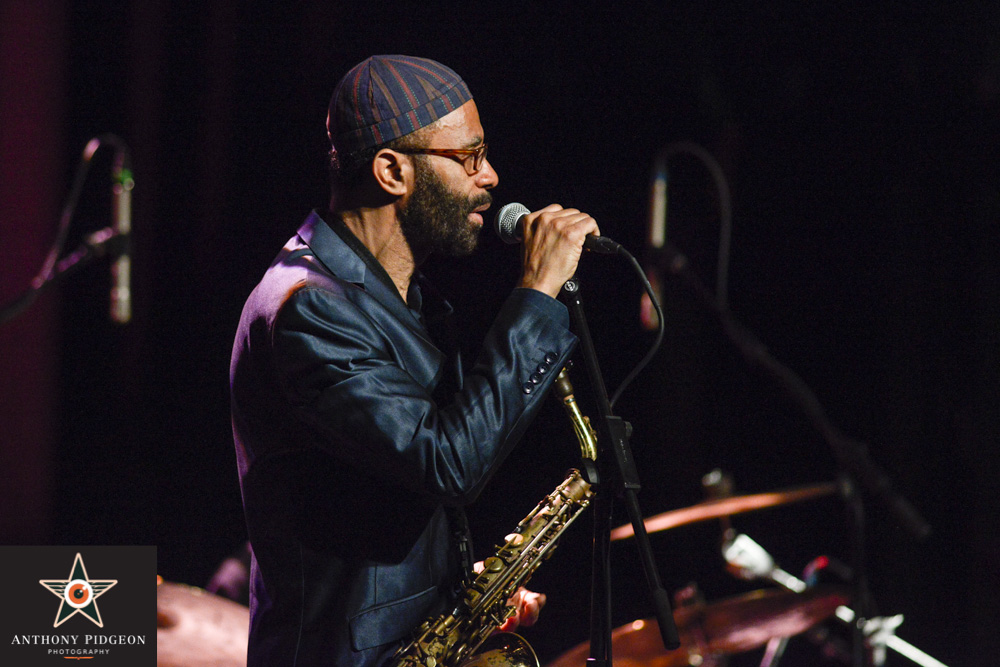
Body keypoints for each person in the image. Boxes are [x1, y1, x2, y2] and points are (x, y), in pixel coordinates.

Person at [230, 54, 601, 667]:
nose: (491, 178)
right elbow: (447, 462)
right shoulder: (308, 311)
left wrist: (459, 595)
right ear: (392, 170)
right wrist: (535, 296)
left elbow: (381, 498)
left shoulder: (413, 303)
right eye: (470, 157)